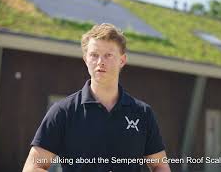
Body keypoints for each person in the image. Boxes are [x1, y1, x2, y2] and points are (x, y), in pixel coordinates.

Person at [22, 23, 171, 172]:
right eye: (94, 55)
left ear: (122, 60)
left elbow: (160, 165)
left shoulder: (143, 113)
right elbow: (33, 167)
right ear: (86, 59)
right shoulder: (63, 112)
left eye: (108, 55)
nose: (100, 62)